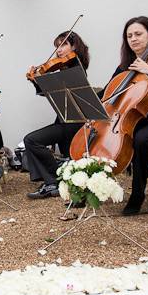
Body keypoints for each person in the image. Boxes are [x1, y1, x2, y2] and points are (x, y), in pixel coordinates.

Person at [90, 17, 148, 216]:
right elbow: (109, 92)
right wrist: (88, 101)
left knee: (142, 140)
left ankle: (138, 194)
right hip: (130, 121)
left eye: (138, 34)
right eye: (129, 35)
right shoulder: (126, 65)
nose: (133, 39)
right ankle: (91, 190)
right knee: (99, 137)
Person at [23, 31, 90, 198]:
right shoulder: (65, 68)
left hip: (74, 122)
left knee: (32, 140)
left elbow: (56, 88)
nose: (58, 50)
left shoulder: (75, 67)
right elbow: (50, 93)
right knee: (35, 142)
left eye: (63, 45)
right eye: (57, 46)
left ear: (74, 46)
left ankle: (53, 180)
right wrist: (37, 81)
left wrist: (41, 79)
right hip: (64, 120)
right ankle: (54, 179)